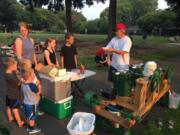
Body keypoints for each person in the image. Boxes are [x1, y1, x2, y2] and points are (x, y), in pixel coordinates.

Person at [3, 57, 24, 127]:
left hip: (8, 94)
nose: (16, 67)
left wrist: (16, 72)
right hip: (14, 95)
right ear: (11, 66)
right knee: (15, 109)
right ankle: (19, 122)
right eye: (15, 66)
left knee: (8, 106)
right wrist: (21, 78)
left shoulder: (7, 73)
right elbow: (18, 83)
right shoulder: (11, 76)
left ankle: (10, 117)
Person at [21, 68, 41, 134]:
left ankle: (29, 125)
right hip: (32, 103)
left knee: (29, 115)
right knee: (32, 116)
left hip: (26, 102)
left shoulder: (23, 82)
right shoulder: (32, 86)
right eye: (33, 75)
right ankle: (32, 128)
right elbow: (38, 92)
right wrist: (38, 85)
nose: (34, 76)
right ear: (30, 77)